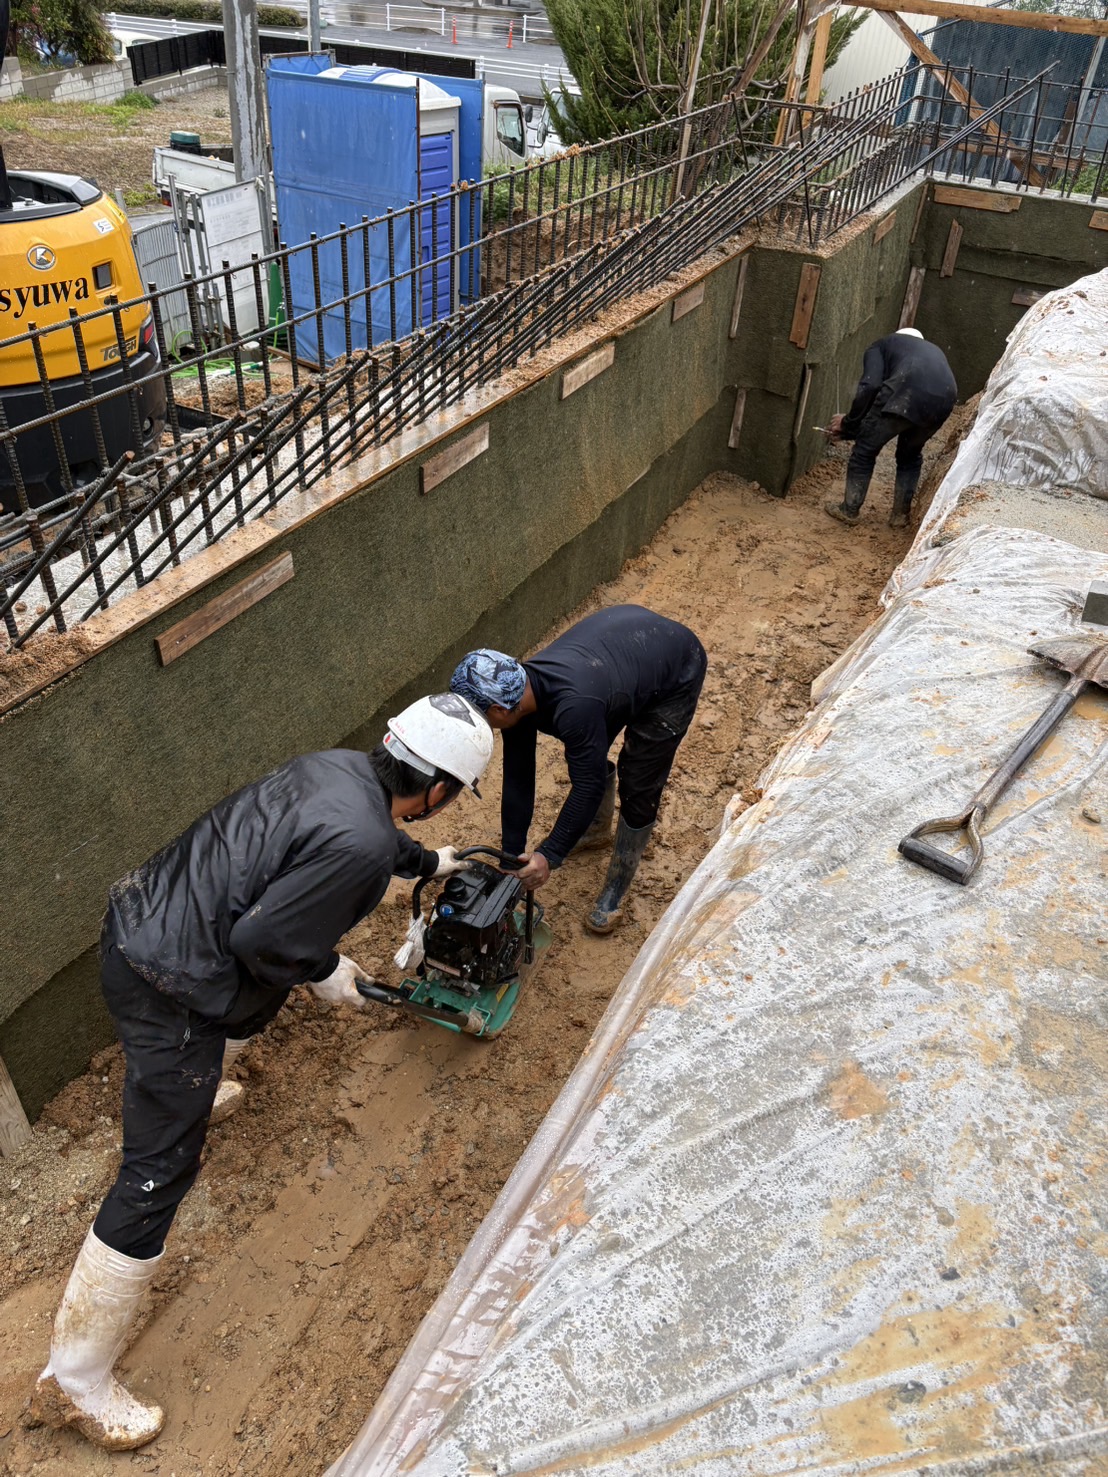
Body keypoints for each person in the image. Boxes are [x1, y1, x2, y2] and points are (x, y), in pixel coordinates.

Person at [28, 693, 493, 1452]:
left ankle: (197, 1086)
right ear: (439, 790)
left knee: (251, 1008)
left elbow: (362, 840)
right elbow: (263, 939)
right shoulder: (364, 846)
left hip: (143, 920)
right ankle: (76, 1379)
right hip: (169, 984)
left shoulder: (338, 767)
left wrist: (431, 862)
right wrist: (328, 969)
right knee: (157, 1170)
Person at [450, 606, 706, 936]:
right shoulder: (518, 694)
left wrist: (549, 855)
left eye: (484, 719)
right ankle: (596, 831)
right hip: (619, 662)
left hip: (676, 667)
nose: (485, 727)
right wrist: (509, 858)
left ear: (499, 709)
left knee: (639, 780)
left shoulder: (573, 707)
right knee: (587, 751)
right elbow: (518, 776)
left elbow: (587, 786)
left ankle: (617, 884)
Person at [824, 326, 957, 529]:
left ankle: (849, 510)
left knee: (864, 451)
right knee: (910, 456)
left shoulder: (881, 345)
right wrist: (853, 427)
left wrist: (848, 423)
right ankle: (899, 516)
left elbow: (870, 386)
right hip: (944, 401)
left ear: (897, 336)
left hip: (907, 390)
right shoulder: (929, 351)